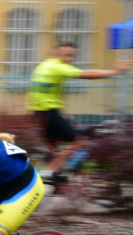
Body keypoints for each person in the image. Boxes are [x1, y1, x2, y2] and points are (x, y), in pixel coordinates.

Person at [26, 42, 130, 184]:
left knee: (54, 147)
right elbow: (86, 74)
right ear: (56, 54)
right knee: (81, 140)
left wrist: (61, 115)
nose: (69, 59)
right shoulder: (57, 67)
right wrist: (114, 72)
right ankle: (51, 172)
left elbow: (45, 95)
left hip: (40, 114)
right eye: (66, 55)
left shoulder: (44, 65)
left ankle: (49, 177)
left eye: (72, 56)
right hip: (48, 114)